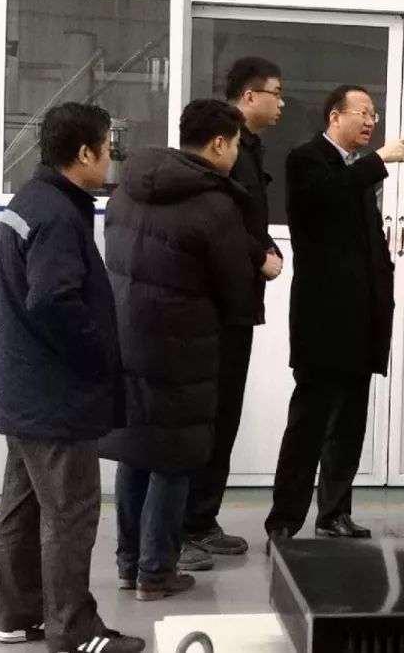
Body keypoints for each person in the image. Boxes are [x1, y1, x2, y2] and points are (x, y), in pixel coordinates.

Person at [0, 102, 144, 653]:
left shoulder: (31, 200)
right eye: (107, 147)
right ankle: (74, 630)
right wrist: (100, 354)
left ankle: (19, 617)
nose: (111, 157)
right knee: (71, 513)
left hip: (23, 392)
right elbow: (53, 300)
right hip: (55, 399)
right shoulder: (57, 214)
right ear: (84, 153)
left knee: (24, 508)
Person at [100, 99, 257, 600]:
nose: (236, 154)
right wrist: (261, 269)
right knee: (174, 459)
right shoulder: (215, 204)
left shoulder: (126, 191)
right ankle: (156, 572)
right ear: (219, 143)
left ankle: (129, 565)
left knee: (133, 454)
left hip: (126, 338)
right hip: (182, 349)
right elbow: (235, 290)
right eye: (236, 144)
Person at [264, 84, 404, 544]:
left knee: (349, 425)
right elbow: (323, 200)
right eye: (363, 113)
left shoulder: (358, 171)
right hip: (323, 318)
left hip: (363, 317)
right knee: (309, 423)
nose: (371, 122)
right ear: (335, 116)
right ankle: (285, 519)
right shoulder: (306, 159)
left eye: (374, 115)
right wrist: (378, 161)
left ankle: (334, 513)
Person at [180, 58, 284, 569]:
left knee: (224, 417)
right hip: (217, 308)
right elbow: (220, 222)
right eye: (275, 93)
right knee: (209, 418)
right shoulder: (221, 159)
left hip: (238, 303)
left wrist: (265, 247)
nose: (281, 103)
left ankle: (202, 518)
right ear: (248, 96)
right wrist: (258, 255)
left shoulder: (249, 149)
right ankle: (189, 524)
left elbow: (245, 220)